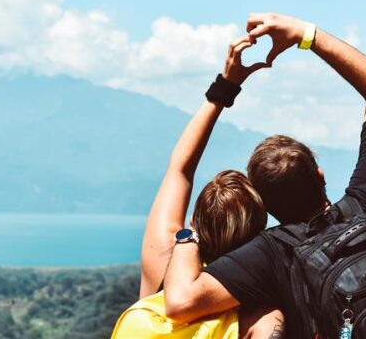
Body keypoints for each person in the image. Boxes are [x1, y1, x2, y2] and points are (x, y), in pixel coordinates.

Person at [162, 12, 366, 339]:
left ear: (266, 206)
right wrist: (306, 34)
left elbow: (179, 302)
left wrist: (187, 237)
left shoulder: (270, 253)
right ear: (320, 175)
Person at [115, 34, 284, 338]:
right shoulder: (259, 317)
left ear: (194, 222)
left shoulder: (163, 264)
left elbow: (180, 169)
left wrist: (225, 89)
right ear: (258, 233)